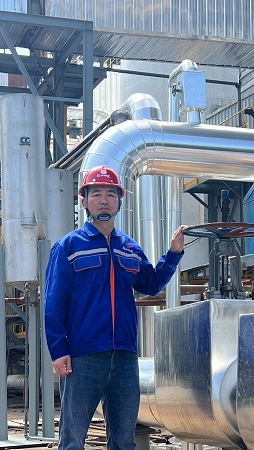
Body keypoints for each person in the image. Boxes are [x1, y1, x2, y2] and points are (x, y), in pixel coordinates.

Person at [43, 165, 185, 450]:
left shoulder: (129, 248)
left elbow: (151, 284)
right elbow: (53, 302)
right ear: (84, 201)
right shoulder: (68, 247)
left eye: (110, 194)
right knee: (73, 439)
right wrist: (58, 351)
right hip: (83, 356)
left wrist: (173, 254)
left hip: (124, 357)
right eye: (96, 194)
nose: (104, 200)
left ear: (120, 201)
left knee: (123, 439)